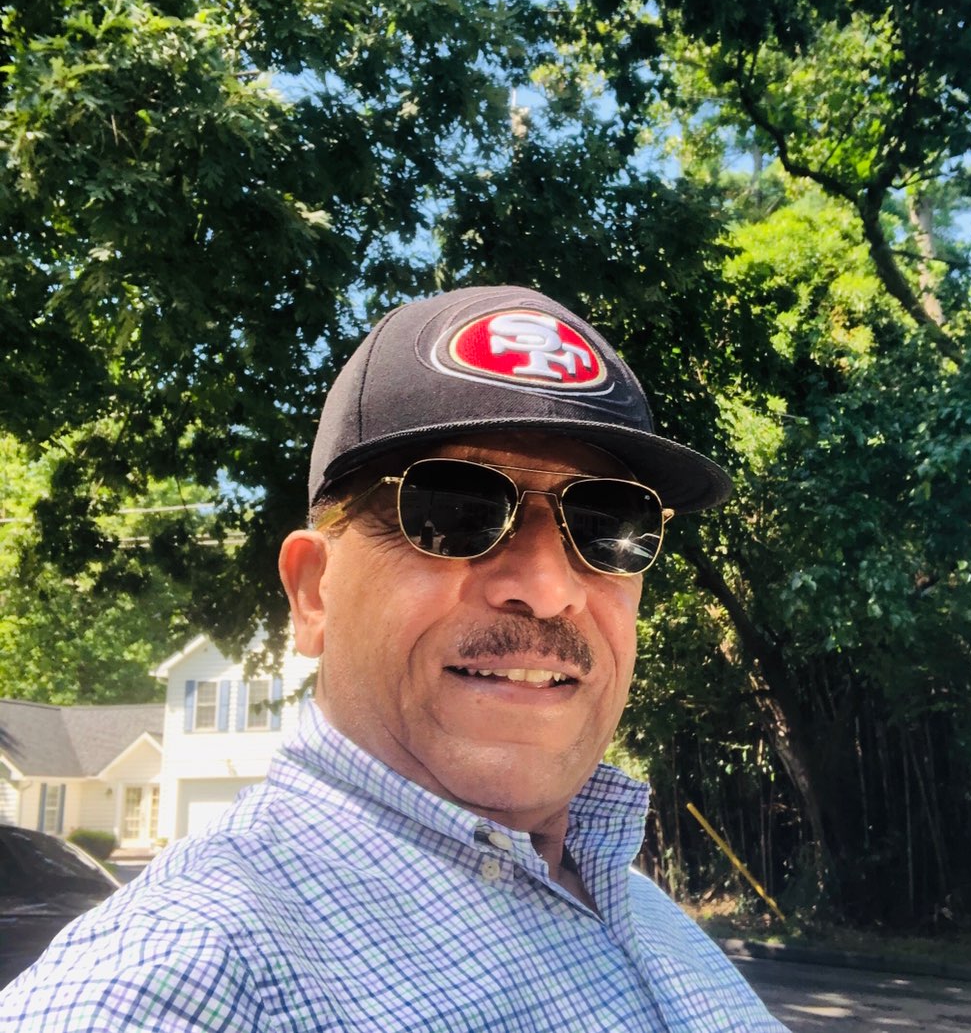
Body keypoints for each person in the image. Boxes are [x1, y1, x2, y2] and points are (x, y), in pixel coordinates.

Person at [0, 286, 789, 1032]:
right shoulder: (185, 974)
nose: (550, 590)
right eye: (456, 510)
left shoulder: (633, 904)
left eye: (609, 524)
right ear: (313, 593)